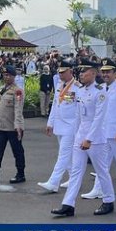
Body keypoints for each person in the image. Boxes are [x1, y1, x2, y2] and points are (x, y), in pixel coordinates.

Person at [50, 59, 115, 217]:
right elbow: (79, 116)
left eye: (84, 71)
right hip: (80, 136)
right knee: (77, 171)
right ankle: (68, 204)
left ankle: (108, 201)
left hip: (95, 139)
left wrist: (89, 138)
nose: (81, 74)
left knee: (101, 171)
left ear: (93, 73)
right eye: (80, 71)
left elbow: (98, 119)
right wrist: (77, 135)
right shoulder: (80, 91)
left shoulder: (100, 92)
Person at [82, 58, 116, 199]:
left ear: (115, 72)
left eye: (108, 72)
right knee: (102, 164)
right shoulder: (100, 88)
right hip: (103, 132)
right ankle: (98, 188)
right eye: (103, 72)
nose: (105, 74)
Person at [39, 61, 80, 192]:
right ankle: (73, 179)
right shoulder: (59, 85)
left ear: (70, 71)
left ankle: (53, 182)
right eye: (59, 72)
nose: (60, 74)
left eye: (63, 72)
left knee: (63, 154)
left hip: (71, 126)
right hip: (59, 124)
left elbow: (79, 109)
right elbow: (55, 106)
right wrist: (50, 123)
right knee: (66, 155)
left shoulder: (77, 87)